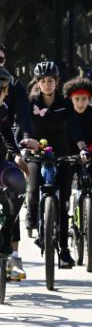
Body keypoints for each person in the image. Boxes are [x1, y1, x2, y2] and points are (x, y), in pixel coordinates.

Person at [25, 61, 76, 268]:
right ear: (38, 83)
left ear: (56, 82)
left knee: (63, 203)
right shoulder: (31, 103)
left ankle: (64, 250)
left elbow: (73, 129)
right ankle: (33, 214)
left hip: (62, 154)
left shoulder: (65, 103)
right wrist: (26, 142)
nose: (47, 85)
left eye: (50, 81)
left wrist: (78, 151)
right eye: (43, 81)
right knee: (34, 186)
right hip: (36, 152)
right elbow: (24, 126)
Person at [64, 77, 92, 253]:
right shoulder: (67, 114)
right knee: (65, 186)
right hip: (71, 153)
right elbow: (73, 133)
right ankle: (65, 219)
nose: (81, 103)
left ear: (89, 99)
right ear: (71, 99)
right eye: (77, 99)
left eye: (84, 99)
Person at [0, 67, 28, 281]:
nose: (6, 94)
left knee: (18, 183)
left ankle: (6, 233)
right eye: (4, 90)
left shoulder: (2, 109)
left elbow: (7, 133)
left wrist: (16, 155)